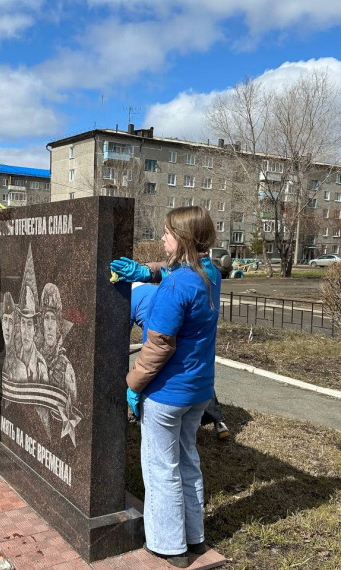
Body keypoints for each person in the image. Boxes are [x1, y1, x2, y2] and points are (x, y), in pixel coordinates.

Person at [111, 206, 221, 568]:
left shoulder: (175, 285)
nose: (162, 238)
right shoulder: (210, 273)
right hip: (198, 391)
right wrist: (147, 271)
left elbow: (159, 346)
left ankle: (169, 546)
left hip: (166, 393)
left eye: (166, 233)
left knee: (161, 468)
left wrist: (132, 385)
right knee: (188, 460)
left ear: (182, 240)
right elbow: (178, 270)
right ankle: (195, 537)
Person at [130, 283, 229, 439]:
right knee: (191, 371)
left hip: (160, 336)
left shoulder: (128, 298)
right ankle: (219, 421)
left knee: (150, 372)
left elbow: (123, 336)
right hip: (183, 332)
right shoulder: (153, 288)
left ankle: (140, 415)